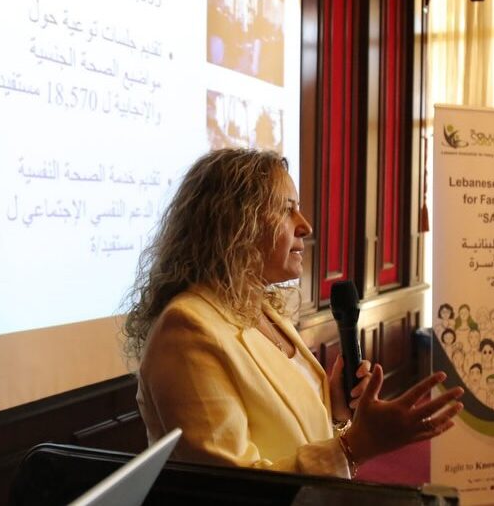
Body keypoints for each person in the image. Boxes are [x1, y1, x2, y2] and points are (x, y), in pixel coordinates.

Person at [122, 148, 464, 478]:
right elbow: (231, 486)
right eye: (287, 210)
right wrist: (355, 446)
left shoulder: (261, 308)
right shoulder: (186, 330)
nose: (305, 226)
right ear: (235, 224)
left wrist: (334, 409)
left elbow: (289, 433)